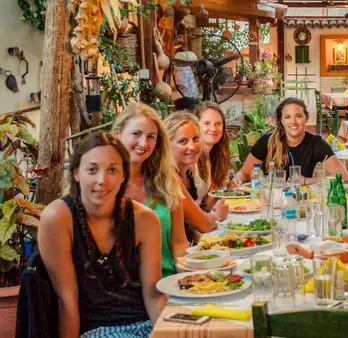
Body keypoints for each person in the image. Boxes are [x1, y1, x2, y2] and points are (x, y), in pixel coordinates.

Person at [38, 132, 165, 337]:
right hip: (93, 331)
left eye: (112, 170)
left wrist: (167, 333)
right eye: (92, 169)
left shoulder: (145, 220)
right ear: (77, 173)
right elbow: (67, 301)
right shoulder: (58, 218)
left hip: (142, 324)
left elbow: (153, 294)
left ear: (124, 174)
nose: (102, 180)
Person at [113, 103, 187, 277]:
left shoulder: (166, 182)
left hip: (168, 283)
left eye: (151, 136)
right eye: (136, 134)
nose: (143, 143)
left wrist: (189, 280)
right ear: (117, 134)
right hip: (123, 291)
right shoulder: (105, 186)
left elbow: (179, 243)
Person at [231, 97, 348, 185]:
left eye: (298, 116)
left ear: (306, 118)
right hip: (269, 201)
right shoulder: (266, 141)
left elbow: (343, 177)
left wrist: (306, 180)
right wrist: (237, 180)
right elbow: (245, 173)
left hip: (301, 203)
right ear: (281, 120)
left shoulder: (316, 143)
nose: (293, 122)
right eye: (287, 117)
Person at [164, 111, 228, 238]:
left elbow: (186, 224)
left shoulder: (188, 173)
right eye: (183, 141)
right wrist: (219, 215)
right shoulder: (169, 176)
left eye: (195, 139)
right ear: (167, 144)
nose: (192, 147)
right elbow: (202, 224)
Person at [193, 101, 231, 198]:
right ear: (196, 125)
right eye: (207, 123)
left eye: (218, 123)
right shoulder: (190, 157)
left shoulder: (214, 155)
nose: (213, 128)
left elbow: (211, 195)